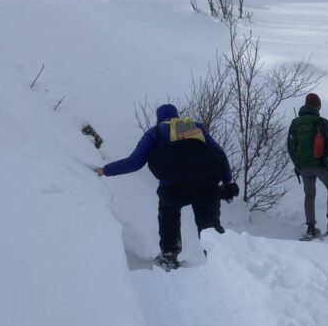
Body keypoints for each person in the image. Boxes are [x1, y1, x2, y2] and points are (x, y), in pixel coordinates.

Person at [94, 104, 236, 270]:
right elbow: (220, 154)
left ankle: (169, 255)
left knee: (169, 213)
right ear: (176, 116)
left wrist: (105, 170)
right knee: (209, 226)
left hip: (173, 189)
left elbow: (134, 163)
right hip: (207, 185)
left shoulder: (155, 132)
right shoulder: (196, 127)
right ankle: (220, 264)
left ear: (159, 117)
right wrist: (228, 182)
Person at [287, 93, 328, 239]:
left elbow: (290, 146)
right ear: (317, 106)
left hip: (304, 167)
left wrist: (297, 165)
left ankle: (311, 227)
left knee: (309, 195)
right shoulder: (321, 122)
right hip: (321, 164)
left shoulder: (295, 123)